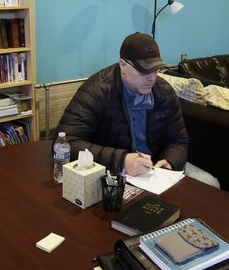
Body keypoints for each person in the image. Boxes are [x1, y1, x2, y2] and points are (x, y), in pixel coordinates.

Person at [56, 32, 188, 176]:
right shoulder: (96, 91)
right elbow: (66, 143)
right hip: (112, 175)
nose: (151, 78)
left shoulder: (164, 92)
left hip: (154, 174)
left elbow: (178, 141)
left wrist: (170, 162)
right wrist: (122, 161)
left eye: (155, 70)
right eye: (143, 71)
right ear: (123, 65)